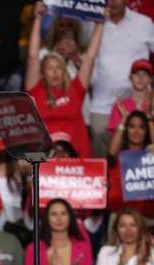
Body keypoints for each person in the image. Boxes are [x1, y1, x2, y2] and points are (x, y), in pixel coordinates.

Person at [25, 1, 104, 158]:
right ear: (43, 73)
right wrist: (38, 19)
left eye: (59, 68)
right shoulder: (35, 91)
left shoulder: (75, 90)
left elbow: (89, 58)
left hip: (77, 161)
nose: (55, 72)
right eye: (50, 68)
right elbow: (33, 57)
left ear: (64, 72)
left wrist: (100, 25)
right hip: (47, 161)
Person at [89, 0, 154, 157]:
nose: (113, 2)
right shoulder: (92, 24)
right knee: (103, 161)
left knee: (140, 158)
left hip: (137, 105)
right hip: (102, 104)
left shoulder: (144, 23)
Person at [22, 198, 94, 265]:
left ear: (70, 217)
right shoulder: (34, 249)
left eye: (63, 213)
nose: (59, 218)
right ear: (47, 218)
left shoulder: (83, 247)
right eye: (54, 214)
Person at [107, 110, 154, 219]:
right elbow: (111, 152)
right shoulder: (118, 156)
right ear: (126, 130)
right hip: (119, 215)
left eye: (141, 127)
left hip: (147, 217)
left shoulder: (151, 156)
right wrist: (123, 121)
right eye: (131, 126)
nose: (136, 131)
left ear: (146, 131)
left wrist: (150, 121)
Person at [107, 59, 153, 135]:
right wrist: (125, 119)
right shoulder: (121, 105)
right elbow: (114, 139)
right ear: (130, 77)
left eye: (145, 74)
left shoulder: (152, 104)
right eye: (136, 73)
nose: (140, 78)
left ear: (150, 79)